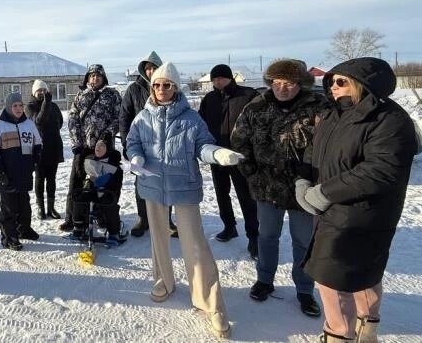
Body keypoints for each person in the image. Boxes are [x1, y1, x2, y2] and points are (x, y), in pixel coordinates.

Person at [295, 58, 416, 343]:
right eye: (331, 81)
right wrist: (303, 178)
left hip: (362, 214)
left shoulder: (389, 119)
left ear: (363, 84)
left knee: (334, 277)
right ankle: (365, 330)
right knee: (356, 272)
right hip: (332, 210)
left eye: (341, 81)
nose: (333, 87)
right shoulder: (334, 114)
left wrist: (324, 192)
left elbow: (380, 170)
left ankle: (340, 334)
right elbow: (314, 151)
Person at [126, 62, 242, 339]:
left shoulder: (191, 118)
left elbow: (202, 144)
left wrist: (216, 154)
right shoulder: (142, 117)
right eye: (157, 85)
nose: (162, 89)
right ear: (151, 87)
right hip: (152, 184)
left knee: (195, 245)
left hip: (184, 186)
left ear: (176, 87)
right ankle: (163, 282)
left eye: (167, 84)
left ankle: (210, 302)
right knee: (159, 239)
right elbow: (132, 142)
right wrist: (136, 157)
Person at [230, 58, 328, 318]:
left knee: (303, 241)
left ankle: (305, 290)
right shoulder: (257, 106)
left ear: (300, 84)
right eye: (276, 83)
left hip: (305, 190)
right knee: (267, 236)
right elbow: (239, 141)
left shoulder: (318, 107)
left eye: (289, 83)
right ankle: (264, 280)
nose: (282, 88)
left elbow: (328, 146)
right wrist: (251, 172)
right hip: (267, 188)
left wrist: (315, 180)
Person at [198, 64, 260, 258]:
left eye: (221, 78)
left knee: (246, 197)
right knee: (221, 193)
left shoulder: (247, 95)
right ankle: (229, 226)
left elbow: (259, 124)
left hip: (241, 156)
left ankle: (254, 237)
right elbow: (201, 123)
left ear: (230, 78)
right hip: (217, 155)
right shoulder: (209, 99)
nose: (217, 82)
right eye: (214, 79)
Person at [119, 51, 177, 238]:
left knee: (165, 183)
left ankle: (166, 220)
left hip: (165, 146)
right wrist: (129, 145)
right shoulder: (134, 90)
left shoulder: (166, 87)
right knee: (141, 183)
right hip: (140, 146)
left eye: (154, 67)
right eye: (147, 68)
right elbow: (124, 117)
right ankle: (143, 219)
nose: (151, 71)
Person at [61, 64, 122, 232]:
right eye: (92, 75)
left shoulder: (112, 95)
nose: (95, 78)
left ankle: (103, 215)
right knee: (77, 181)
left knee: (103, 182)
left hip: (104, 148)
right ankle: (72, 218)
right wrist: (76, 143)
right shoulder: (81, 96)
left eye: (98, 76)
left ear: (103, 78)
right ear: (87, 78)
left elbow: (119, 118)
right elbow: (72, 119)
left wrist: (107, 136)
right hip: (84, 146)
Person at [0, 92, 43, 250]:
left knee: (24, 204)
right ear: (8, 107)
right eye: (15, 106)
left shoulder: (29, 124)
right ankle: (9, 237)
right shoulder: (0, 125)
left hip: (24, 172)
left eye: (20, 105)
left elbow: (37, 143)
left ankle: (23, 229)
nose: (18, 108)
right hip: (7, 174)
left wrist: (35, 161)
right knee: (9, 207)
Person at [70, 133, 127, 244]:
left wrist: (107, 180)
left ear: (108, 149)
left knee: (108, 203)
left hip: (107, 192)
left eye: (102, 146)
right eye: (97, 145)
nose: (98, 148)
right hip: (92, 190)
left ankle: (114, 232)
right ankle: (78, 226)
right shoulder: (89, 160)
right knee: (79, 199)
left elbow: (117, 184)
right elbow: (83, 176)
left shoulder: (114, 165)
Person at [25, 79, 64, 220]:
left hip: (53, 147)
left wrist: (52, 133)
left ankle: (51, 207)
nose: (41, 92)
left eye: (43, 90)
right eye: (39, 90)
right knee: (40, 179)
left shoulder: (53, 106)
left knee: (52, 179)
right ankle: (40, 208)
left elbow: (59, 122)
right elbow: (38, 122)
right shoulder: (30, 107)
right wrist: (46, 103)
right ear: (34, 92)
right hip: (39, 150)